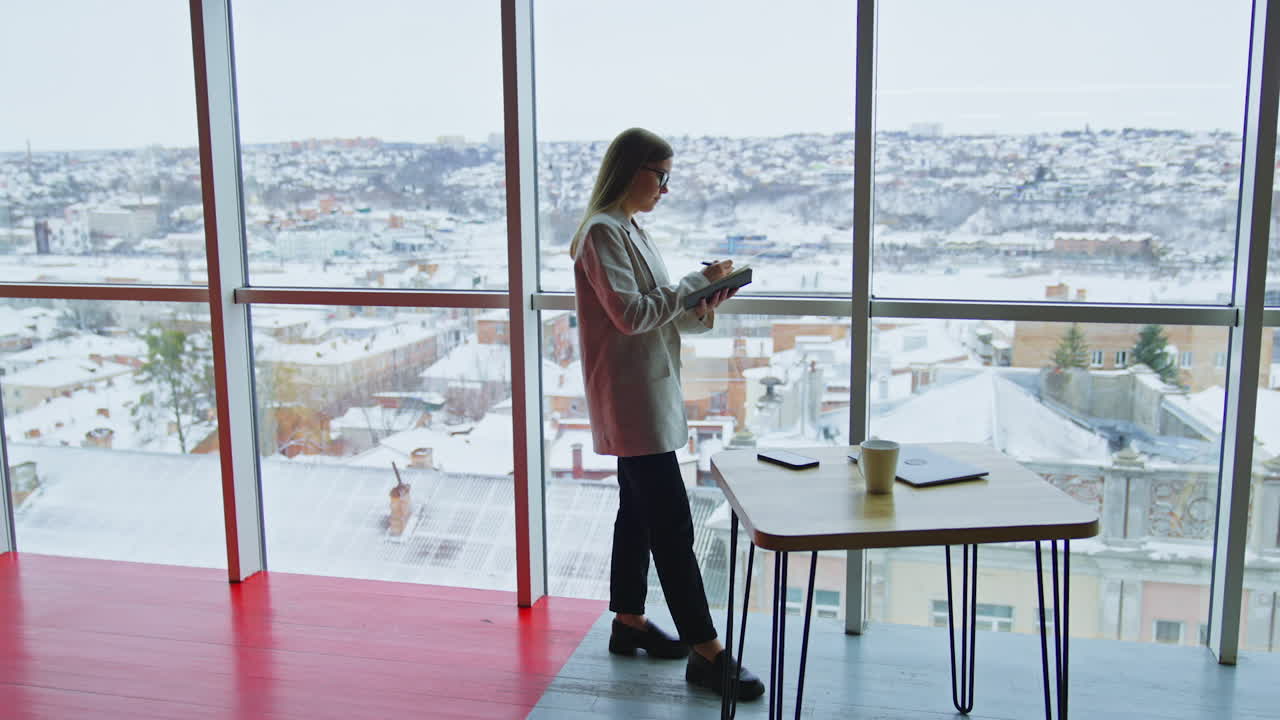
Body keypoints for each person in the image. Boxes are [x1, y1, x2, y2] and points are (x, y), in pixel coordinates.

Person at [571, 127, 765, 702]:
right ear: (630, 170)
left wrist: (703, 301)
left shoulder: (629, 230)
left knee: (637, 512)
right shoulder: (601, 233)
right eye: (660, 175)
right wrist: (687, 287)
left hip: (645, 392)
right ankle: (707, 653)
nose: (665, 187)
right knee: (672, 525)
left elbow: (659, 313)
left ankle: (628, 623)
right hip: (632, 398)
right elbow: (631, 315)